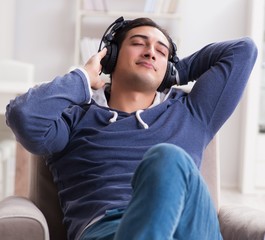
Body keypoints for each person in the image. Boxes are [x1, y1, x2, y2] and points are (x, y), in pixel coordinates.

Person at [6, 17, 257, 240]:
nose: (150, 52)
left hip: (187, 229)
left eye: (161, 51)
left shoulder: (192, 112)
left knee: (168, 159)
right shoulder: (74, 117)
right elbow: (22, 115)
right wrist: (83, 76)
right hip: (108, 230)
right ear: (110, 55)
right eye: (139, 43)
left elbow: (243, 50)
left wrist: (175, 71)